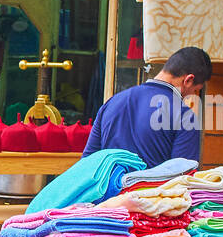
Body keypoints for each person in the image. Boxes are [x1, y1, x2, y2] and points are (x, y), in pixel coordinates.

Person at [82, 46, 212, 167]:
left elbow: (87, 165)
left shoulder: (111, 103)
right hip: (154, 192)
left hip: (110, 191)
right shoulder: (185, 117)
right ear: (188, 80)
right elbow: (183, 179)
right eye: (195, 91)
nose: (191, 96)